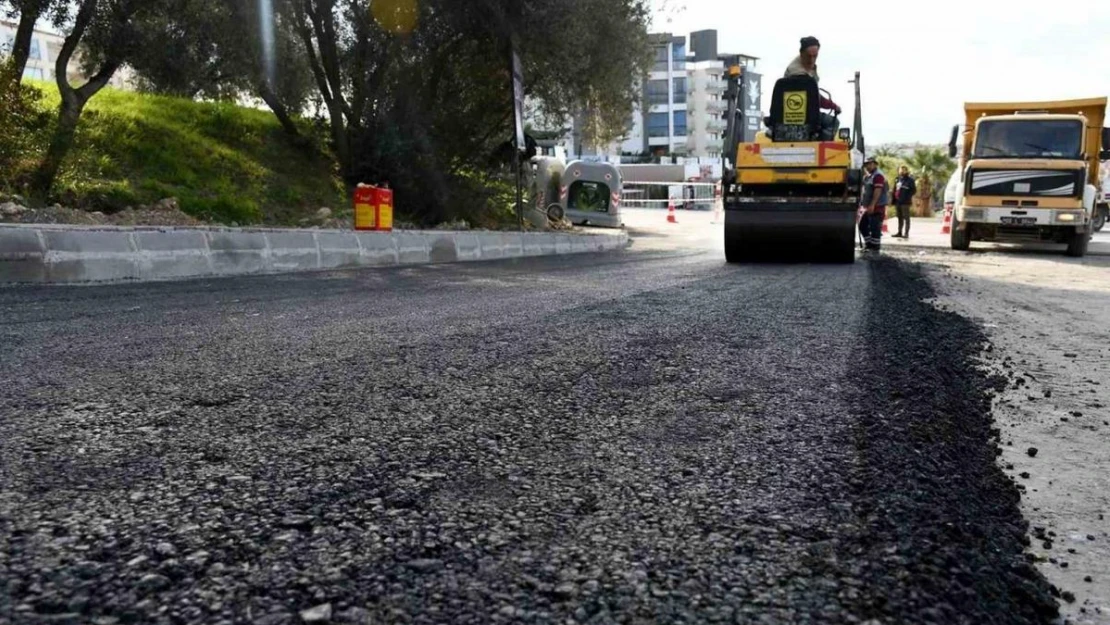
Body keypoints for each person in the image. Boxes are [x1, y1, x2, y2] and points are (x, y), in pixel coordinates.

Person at [784, 36, 840, 140]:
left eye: (815, 56)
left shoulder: (805, 67)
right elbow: (814, 98)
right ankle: (819, 148)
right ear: (801, 53)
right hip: (800, 114)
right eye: (808, 56)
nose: (812, 60)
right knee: (833, 122)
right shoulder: (798, 73)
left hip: (794, 112)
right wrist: (833, 105)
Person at [859, 156, 888, 251]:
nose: (868, 166)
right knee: (862, 225)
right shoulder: (869, 176)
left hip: (877, 206)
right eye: (866, 165)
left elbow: (878, 191)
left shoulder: (878, 176)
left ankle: (875, 247)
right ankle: (869, 244)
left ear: (875, 164)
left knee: (875, 227)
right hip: (868, 206)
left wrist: (872, 204)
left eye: (870, 164)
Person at [892, 165, 916, 238]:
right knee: (899, 218)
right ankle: (899, 232)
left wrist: (907, 196)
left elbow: (913, 190)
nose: (902, 171)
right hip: (898, 201)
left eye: (903, 170)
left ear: (906, 171)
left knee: (906, 218)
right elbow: (894, 189)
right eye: (900, 170)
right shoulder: (897, 179)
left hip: (905, 202)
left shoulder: (910, 180)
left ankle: (906, 233)